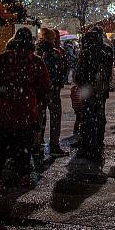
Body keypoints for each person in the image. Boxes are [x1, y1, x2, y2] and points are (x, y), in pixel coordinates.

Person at [0, 28, 50, 187]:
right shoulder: (35, 61)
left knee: (1, 142)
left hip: (7, 107)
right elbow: (43, 85)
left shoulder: (3, 59)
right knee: (24, 143)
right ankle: (23, 175)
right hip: (27, 108)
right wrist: (38, 99)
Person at [75, 28, 113, 161]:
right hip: (101, 89)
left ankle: (87, 144)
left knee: (87, 116)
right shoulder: (106, 51)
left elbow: (79, 74)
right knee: (99, 115)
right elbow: (109, 71)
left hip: (87, 88)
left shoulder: (86, 53)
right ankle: (97, 142)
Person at [36, 28, 69, 157]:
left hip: (40, 90)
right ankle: (54, 145)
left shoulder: (38, 51)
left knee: (39, 117)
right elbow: (58, 72)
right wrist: (58, 83)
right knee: (55, 117)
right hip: (52, 90)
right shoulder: (54, 53)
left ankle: (36, 143)